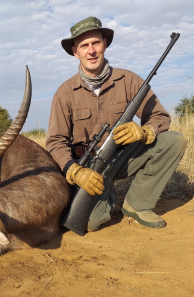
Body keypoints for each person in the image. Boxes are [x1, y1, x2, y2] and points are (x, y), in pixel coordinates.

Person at [46, 16, 186, 232]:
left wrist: (144, 131)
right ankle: (105, 192)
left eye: (96, 43)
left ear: (105, 44)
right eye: (84, 45)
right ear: (75, 51)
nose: (91, 51)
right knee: (90, 224)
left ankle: (138, 204)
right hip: (90, 168)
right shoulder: (64, 93)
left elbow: (161, 118)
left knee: (174, 141)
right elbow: (55, 142)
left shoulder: (130, 80)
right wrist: (75, 171)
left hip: (123, 157)